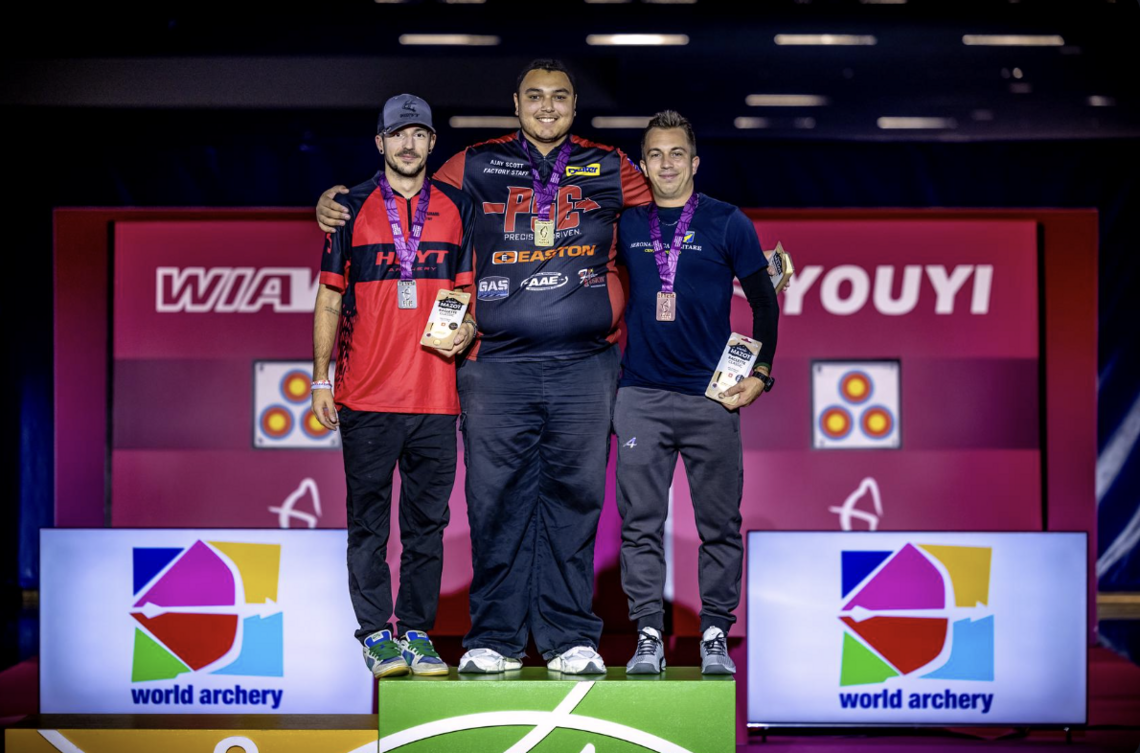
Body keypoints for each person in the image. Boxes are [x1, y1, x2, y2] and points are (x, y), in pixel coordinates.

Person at [317, 60, 652, 675]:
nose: (546, 107)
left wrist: (747, 255)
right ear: (515, 104)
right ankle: (494, 637)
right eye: (534, 97)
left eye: (559, 97)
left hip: (586, 364)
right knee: (494, 501)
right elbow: (401, 188)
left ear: (575, 106)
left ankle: (569, 637)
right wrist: (332, 202)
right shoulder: (472, 164)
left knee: (576, 500)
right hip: (494, 364)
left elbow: (673, 216)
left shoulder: (613, 166)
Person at [311, 94, 477, 678]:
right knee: (369, 523)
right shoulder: (350, 207)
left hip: (436, 398)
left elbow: (467, 294)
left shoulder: (458, 207)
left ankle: (418, 633)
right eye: (397, 134)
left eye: (420, 135)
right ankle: (376, 633)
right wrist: (318, 379)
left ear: (433, 144)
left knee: (427, 527)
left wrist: (468, 327)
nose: (409, 145)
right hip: (365, 397)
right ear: (379, 143)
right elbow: (331, 296)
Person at [612, 110, 779, 675]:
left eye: (676, 154)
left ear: (695, 161)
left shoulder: (728, 222)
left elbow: (764, 302)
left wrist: (760, 374)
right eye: (655, 154)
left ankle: (713, 632)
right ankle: (649, 635)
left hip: (712, 400)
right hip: (640, 397)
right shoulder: (626, 223)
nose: (666, 164)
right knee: (639, 525)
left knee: (719, 525)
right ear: (642, 164)